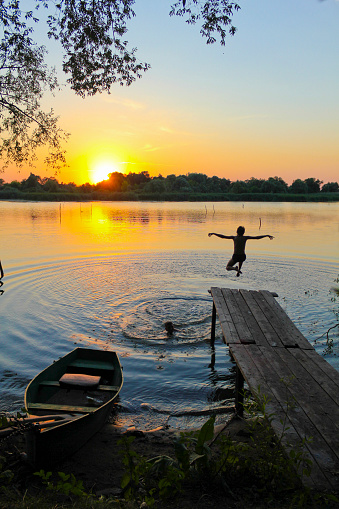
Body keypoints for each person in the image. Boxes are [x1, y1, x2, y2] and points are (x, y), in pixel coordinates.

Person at [208, 226, 274, 276]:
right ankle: (238, 270)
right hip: (242, 256)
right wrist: (266, 235)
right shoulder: (245, 238)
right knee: (240, 260)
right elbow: (257, 237)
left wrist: (214, 233)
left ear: (236, 232)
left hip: (236, 256)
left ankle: (235, 269)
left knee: (228, 267)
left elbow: (223, 236)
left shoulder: (234, 238)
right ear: (243, 232)